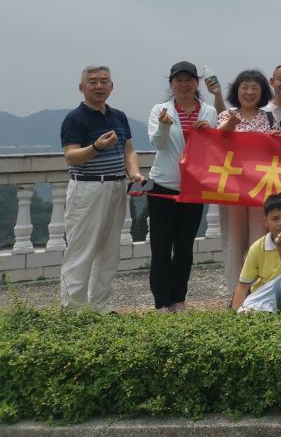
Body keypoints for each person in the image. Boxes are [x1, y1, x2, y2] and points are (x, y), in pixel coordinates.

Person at [59, 65, 146, 310]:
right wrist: (97, 147)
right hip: (87, 187)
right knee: (81, 249)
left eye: (104, 81)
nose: (99, 86)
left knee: (109, 251)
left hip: (117, 186)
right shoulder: (75, 118)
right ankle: (73, 311)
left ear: (112, 86)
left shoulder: (119, 116)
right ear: (82, 87)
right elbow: (71, 156)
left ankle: (101, 306)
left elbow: (129, 151)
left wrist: (134, 173)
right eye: (93, 81)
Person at [145, 61, 218, 312]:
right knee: (161, 247)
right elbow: (158, 144)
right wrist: (164, 125)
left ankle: (178, 300)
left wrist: (208, 133)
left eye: (189, 80)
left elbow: (215, 148)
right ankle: (161, 302)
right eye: (179, 80)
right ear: (171, 84)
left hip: (194, 188)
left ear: (197, 83)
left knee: (185, 248)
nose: (184, 84)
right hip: (163, 186)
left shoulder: (208, 112)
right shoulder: (160, 110)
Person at [218, 69, 278, 290]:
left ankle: (257, 290)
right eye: (245, 87)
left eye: (255, 87)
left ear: (262, 92)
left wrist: (275, 141)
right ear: (236, 91)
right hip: (231, 187)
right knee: (234, 241)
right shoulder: (226, 116)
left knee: (259, 239)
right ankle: (236, 291)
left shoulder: (269, 118)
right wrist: (229, 126)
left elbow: (279, 152)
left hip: (260, 188)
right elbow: (215, 144)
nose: (249, 92)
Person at [231, 193, 281, 314]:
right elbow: (243, 285)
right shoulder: (257, 247)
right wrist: (233, 315)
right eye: (275, 219)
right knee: (245, 314)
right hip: (264, 290)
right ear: (266, 221)